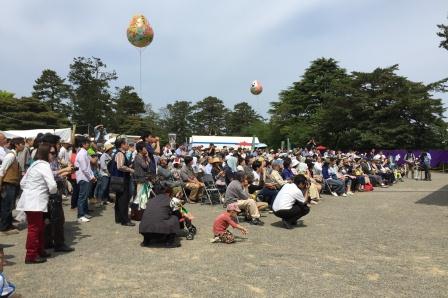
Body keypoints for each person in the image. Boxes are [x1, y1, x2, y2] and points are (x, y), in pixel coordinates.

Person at [16, 143, 57, 264]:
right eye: (52, 153)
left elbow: (23, 183)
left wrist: (32, 189)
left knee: (39, 227)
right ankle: (31, 255)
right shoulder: (44, 165)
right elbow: (52, 185)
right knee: (35, 229)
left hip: (31, 200)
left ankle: (39, 250)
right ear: (45, 153)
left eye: (55, 153)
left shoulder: (34, 164)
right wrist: (49, 192)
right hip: (36, 201)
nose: (54, 155)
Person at [42, 134, 74, 253]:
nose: (59, 145)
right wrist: (64, 171)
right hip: (51, 191)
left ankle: (49, 241)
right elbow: (50, 173)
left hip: (53, 189)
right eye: (58, 143)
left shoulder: (50, 155)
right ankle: (58, 243)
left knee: (51, 218)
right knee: (57, 218)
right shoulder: (46, 156)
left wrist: (64, 172)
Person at [139, 182, 181, 248]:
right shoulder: (171, 200)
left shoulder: (150, 200)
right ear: (168, 193)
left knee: (151, 217)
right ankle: (170, 242)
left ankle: (146, 240)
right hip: (160, 233)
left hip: (144, 230)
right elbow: (179, 214)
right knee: (175, 218)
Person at [0, 138, 25, 234]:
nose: (24, 145)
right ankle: (4, 227)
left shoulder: (14, 155)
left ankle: (8, 224)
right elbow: (2, 170)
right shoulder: (10, 155)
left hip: (12, 184)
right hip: (7, 183)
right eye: (22, 144)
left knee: (10, 205)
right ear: (16, 145)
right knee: (6, 206)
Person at [110, 138, 135, 226]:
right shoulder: (120, 153)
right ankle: (125, 220)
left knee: (119, 200)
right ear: (122, 145)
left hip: (120, 180)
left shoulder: (119, 153)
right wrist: (131, 170)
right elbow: (120, 166)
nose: (128, 145)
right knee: (123, 200)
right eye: (126, 144)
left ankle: (119, 218)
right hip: (122, 180)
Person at [74, 137, 95, 223]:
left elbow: (88, 167)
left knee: (84, 196)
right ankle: (80, 215)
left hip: (86, 177)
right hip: (83, 177)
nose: (89, 144)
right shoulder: (82, 154)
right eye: (87, 143)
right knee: (82, 197)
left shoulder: (85, 152)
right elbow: (84, 168)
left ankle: (84, 212)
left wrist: (92, 176)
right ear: (83, 144)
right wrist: (91, 177)